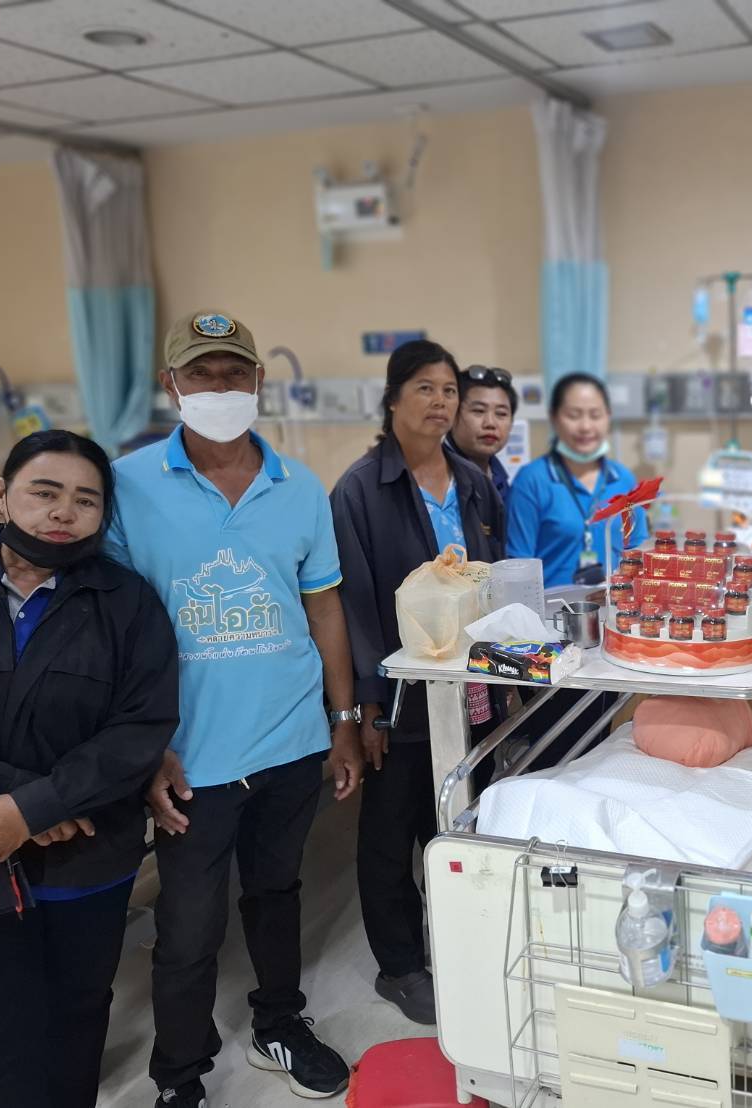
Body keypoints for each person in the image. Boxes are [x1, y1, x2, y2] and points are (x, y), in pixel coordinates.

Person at [106, 311, 364, 1106]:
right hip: (190, 755)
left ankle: (279, 1023)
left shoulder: (299, 488)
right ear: (171, 385)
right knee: (187, 927)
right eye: (201, 373)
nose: (218, 387)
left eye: (232, 372)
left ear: (257, 381)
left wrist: (343, 721)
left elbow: (324, 607)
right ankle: (179, 1077)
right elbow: (110, 624)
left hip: (290, 738)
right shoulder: (127, 486)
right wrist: (143, 744)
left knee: (276, 893)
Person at [0, 431, 179, 1108]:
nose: (63, 512)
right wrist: (18, 803)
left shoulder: (128, 602)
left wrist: (33, 810)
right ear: (2, 495)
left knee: (76, 1019)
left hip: (87, 857)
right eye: (44, 492)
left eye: (86, 500)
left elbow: (140, 727)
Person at [330, 339, 506, 1026]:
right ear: (393, 398)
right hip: (399, 692)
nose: (441, 402)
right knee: (391, 830)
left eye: (449, 390)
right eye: (425, 389)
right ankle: (399, 965)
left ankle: (466, 943)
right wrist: (367, 706)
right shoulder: (359, 490)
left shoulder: (472, 481)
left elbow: (490, 577)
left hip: (470, 684)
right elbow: (353, 603)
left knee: (464, 815)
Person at [507, 373, 650, 587]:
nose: (585, 426)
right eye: (573, 415)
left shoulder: (623, 479)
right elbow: (517, 566)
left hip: (613, 605)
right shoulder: (531, 480)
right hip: (549, 606)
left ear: (608, 417)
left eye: (595, 415)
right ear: (554, 418)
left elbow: (636, 550)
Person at [448, 364, 518, 504]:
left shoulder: (499, 475)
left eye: (501, 414)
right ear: (452, 415)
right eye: (479, 411)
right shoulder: (436, 477)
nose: (490, 423)